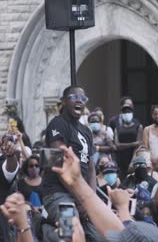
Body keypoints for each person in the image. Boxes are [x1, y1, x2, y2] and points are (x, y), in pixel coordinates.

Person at [42, 86, 99, 241]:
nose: (79, 100)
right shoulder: (57, 124)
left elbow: (91, 168)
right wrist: (81, 198)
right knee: (69, 232)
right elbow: (59, 166)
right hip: (58, 193)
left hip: (81, 194)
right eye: (74, 97)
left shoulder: (86, 131)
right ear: (64, 101)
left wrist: (90, 198)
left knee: (98, 235)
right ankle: (45, 229)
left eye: (83, 98)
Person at [114, 102, 143, 180]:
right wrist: (133, 144)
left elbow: (139, 144)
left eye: (128, 111)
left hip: (133, 157)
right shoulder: (118, 128)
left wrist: (133, 160)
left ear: (132, 113)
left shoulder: (138, 126)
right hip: (120, 159)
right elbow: (117, 145)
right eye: (124, 112)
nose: (126, 113)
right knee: (122, 179)